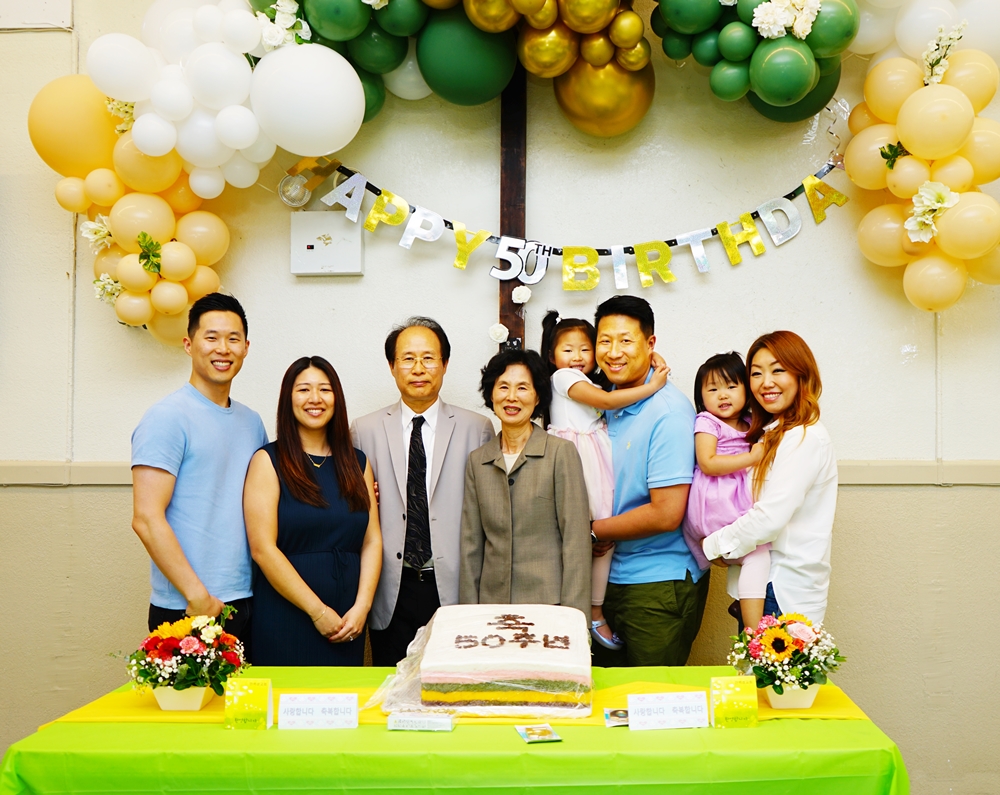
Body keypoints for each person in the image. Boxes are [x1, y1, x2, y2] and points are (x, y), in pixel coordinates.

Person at [351, 318, 494, 667]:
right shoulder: (363, 430)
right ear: (392, 366)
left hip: (453, 583)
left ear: (444, 364)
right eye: (408, 359)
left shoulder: (477, 428)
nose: (418, 368)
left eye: (429, 358)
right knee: (390, 682)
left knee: (454, 681)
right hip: (391, 585)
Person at [131, 293, 267, 651]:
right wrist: (197, 595)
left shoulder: (252, 422)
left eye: (233, 339)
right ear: (189, 344)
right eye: (211, 337)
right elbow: (146, 518)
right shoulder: (166, 417)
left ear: (246, 348)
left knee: (249, 692)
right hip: (188, 605)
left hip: (247, 598)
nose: (223, 348)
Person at [539, 310, 668, 650]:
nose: (577, 356)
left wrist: (652, 362)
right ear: (552, 356)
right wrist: (653, 385)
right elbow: (608, 402)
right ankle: (586, 612)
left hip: (596, 462)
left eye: (585, 348)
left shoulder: (592, 382)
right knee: (581, 536)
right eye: (568, 349)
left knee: (602, 538)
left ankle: (593, 610)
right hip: (578, 463)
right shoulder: (563, 378)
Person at [589, 295, 706, 668]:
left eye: (626, 340)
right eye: (605, 341)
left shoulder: (667, 413)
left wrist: (589, 531)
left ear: (650, 344)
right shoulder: (603, 400)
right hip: (602, 579)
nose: (614, 352)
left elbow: (666, 513)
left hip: (655, 584)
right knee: (601, 697)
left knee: (652, 694)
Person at [244, 356, 381, 665]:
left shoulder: (358, 463)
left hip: (347, 619)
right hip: (286, 614)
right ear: (288, 399)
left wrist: (362, 607)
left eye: (325, 389)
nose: (315, 399)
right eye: (304, 389)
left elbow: (372, 540)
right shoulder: (268, 461)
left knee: (342, 695)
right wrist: (317, 611)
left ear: (337, 398)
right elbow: (262, 549)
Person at [702, 331, 837, 625]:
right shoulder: (770, 434)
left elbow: (769, 518)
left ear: (802, 375)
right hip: (764, 585)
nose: (766, 382)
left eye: (778, 370)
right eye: (756, 373)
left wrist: (712, 545)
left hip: (784, 590)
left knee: (766, 658)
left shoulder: (804, 437)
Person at [459, 348, 591, 618]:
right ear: (491, 394)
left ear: (537, 395)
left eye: (522, 388)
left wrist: (575, 620)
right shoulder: (477, 460)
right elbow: (471, 546)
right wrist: (469, 616)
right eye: (503, 387)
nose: (511, 397)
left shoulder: (560, 453)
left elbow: (576, 542)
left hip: (548, 607)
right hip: (492, 608)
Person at [682, 352, 768, 630]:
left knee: (757, 552)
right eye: (713, 389)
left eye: (731, 386)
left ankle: (744, 608)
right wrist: (751, 458)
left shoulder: (752, 422)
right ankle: (753, 628)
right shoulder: (707, 422)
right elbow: (708, 462)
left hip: (739, 497)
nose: (723, 395)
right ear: (701, 396)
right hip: (716, 500)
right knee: (757, 552)